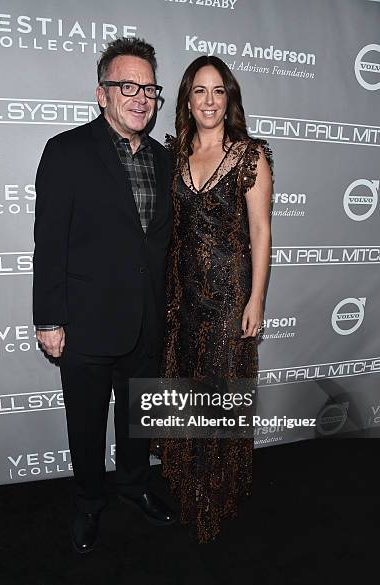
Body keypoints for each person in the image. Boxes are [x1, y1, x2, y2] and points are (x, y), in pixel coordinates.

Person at [33, 37, 175, 554]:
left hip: (146, 322)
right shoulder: (67, 151)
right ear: (102, 93)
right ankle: (89, 503)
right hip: (87, 323)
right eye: (127, 85)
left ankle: (135, 485)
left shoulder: (164, 160)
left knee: (139, 422)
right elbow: (49, 242)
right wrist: (49, 318)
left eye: (149, 88)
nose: (140, 97)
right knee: (87, 428)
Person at [150, 55, 273, 543]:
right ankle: (189, 485)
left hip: (227, 297)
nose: (208, 100)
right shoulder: (174, 154)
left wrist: (256, 298)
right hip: (180, 299)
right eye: (199, 91)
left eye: (218, 91)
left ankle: (215, 496)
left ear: (229, 99)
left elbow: (261, 231)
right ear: (186, 99)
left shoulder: (249, 156)